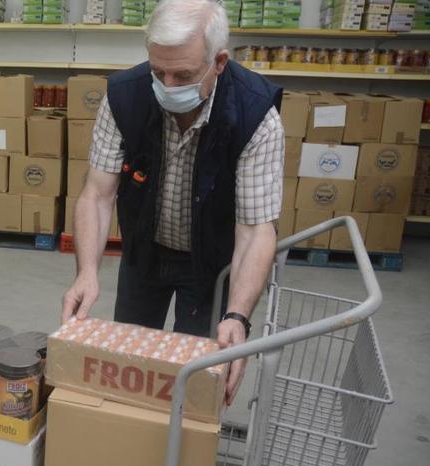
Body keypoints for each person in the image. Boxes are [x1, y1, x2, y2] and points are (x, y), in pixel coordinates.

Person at [61, 0, 284, 406]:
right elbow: (96, 194)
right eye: (157, 71)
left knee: (192, 377)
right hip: (144, 252)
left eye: (183, 75)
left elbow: (255, 229)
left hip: (210, 266)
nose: (167, 86)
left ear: (218, 62)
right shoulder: (124, 97)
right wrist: (86, 272)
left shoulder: (256, 115)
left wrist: (237, 316)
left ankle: (178, 454)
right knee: (126, 365)